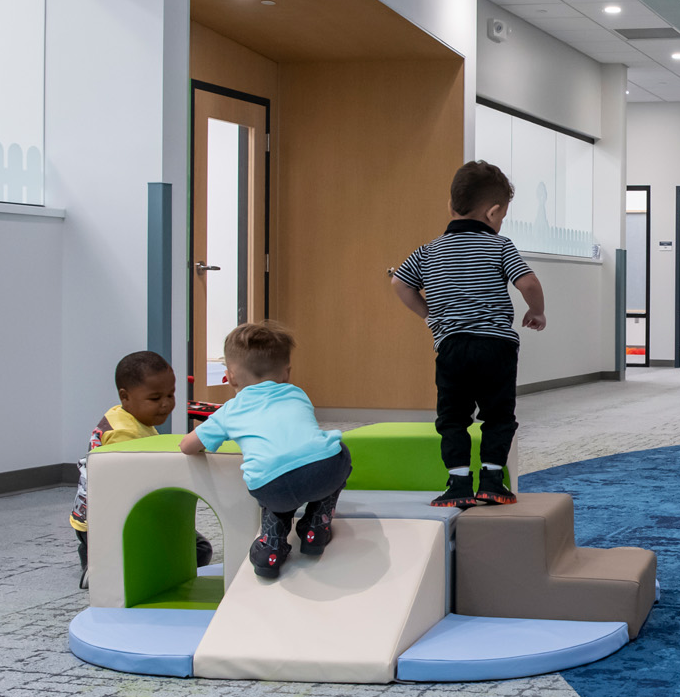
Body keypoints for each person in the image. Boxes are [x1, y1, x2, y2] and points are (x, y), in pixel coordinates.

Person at [390, 161, 546, 509]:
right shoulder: (501, 246)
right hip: (496, 347)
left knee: (452, 417)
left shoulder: (428, 251)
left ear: (451, 207)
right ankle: (492, 481)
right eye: (502, 215)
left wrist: (430, 315)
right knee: (499, 414)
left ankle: (459, 483)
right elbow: (529, 282)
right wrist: (536, 312)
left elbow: (400, 283)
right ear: (493, 213)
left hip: (452, 347)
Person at [179, 323, 348, 579]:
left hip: (271, 486)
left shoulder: (230, 410)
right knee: (338, 450)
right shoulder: (297, 394)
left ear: (231, 376)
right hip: (324, 473)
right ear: (287, 373)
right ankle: (316, 525)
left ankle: (272, 543)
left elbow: (187, 447)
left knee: (275, 479)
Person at [73, 351, 210, 584]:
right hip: (106, 523)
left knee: (197, 547)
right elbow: (128, 490)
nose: (166, 403)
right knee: (198, 551)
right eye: (155, 398)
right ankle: (98, 563)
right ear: (125, 397)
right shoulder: (124, 434)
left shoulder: (129, 419)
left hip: (108, 517)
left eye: (171, 394)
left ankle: (97, 554)